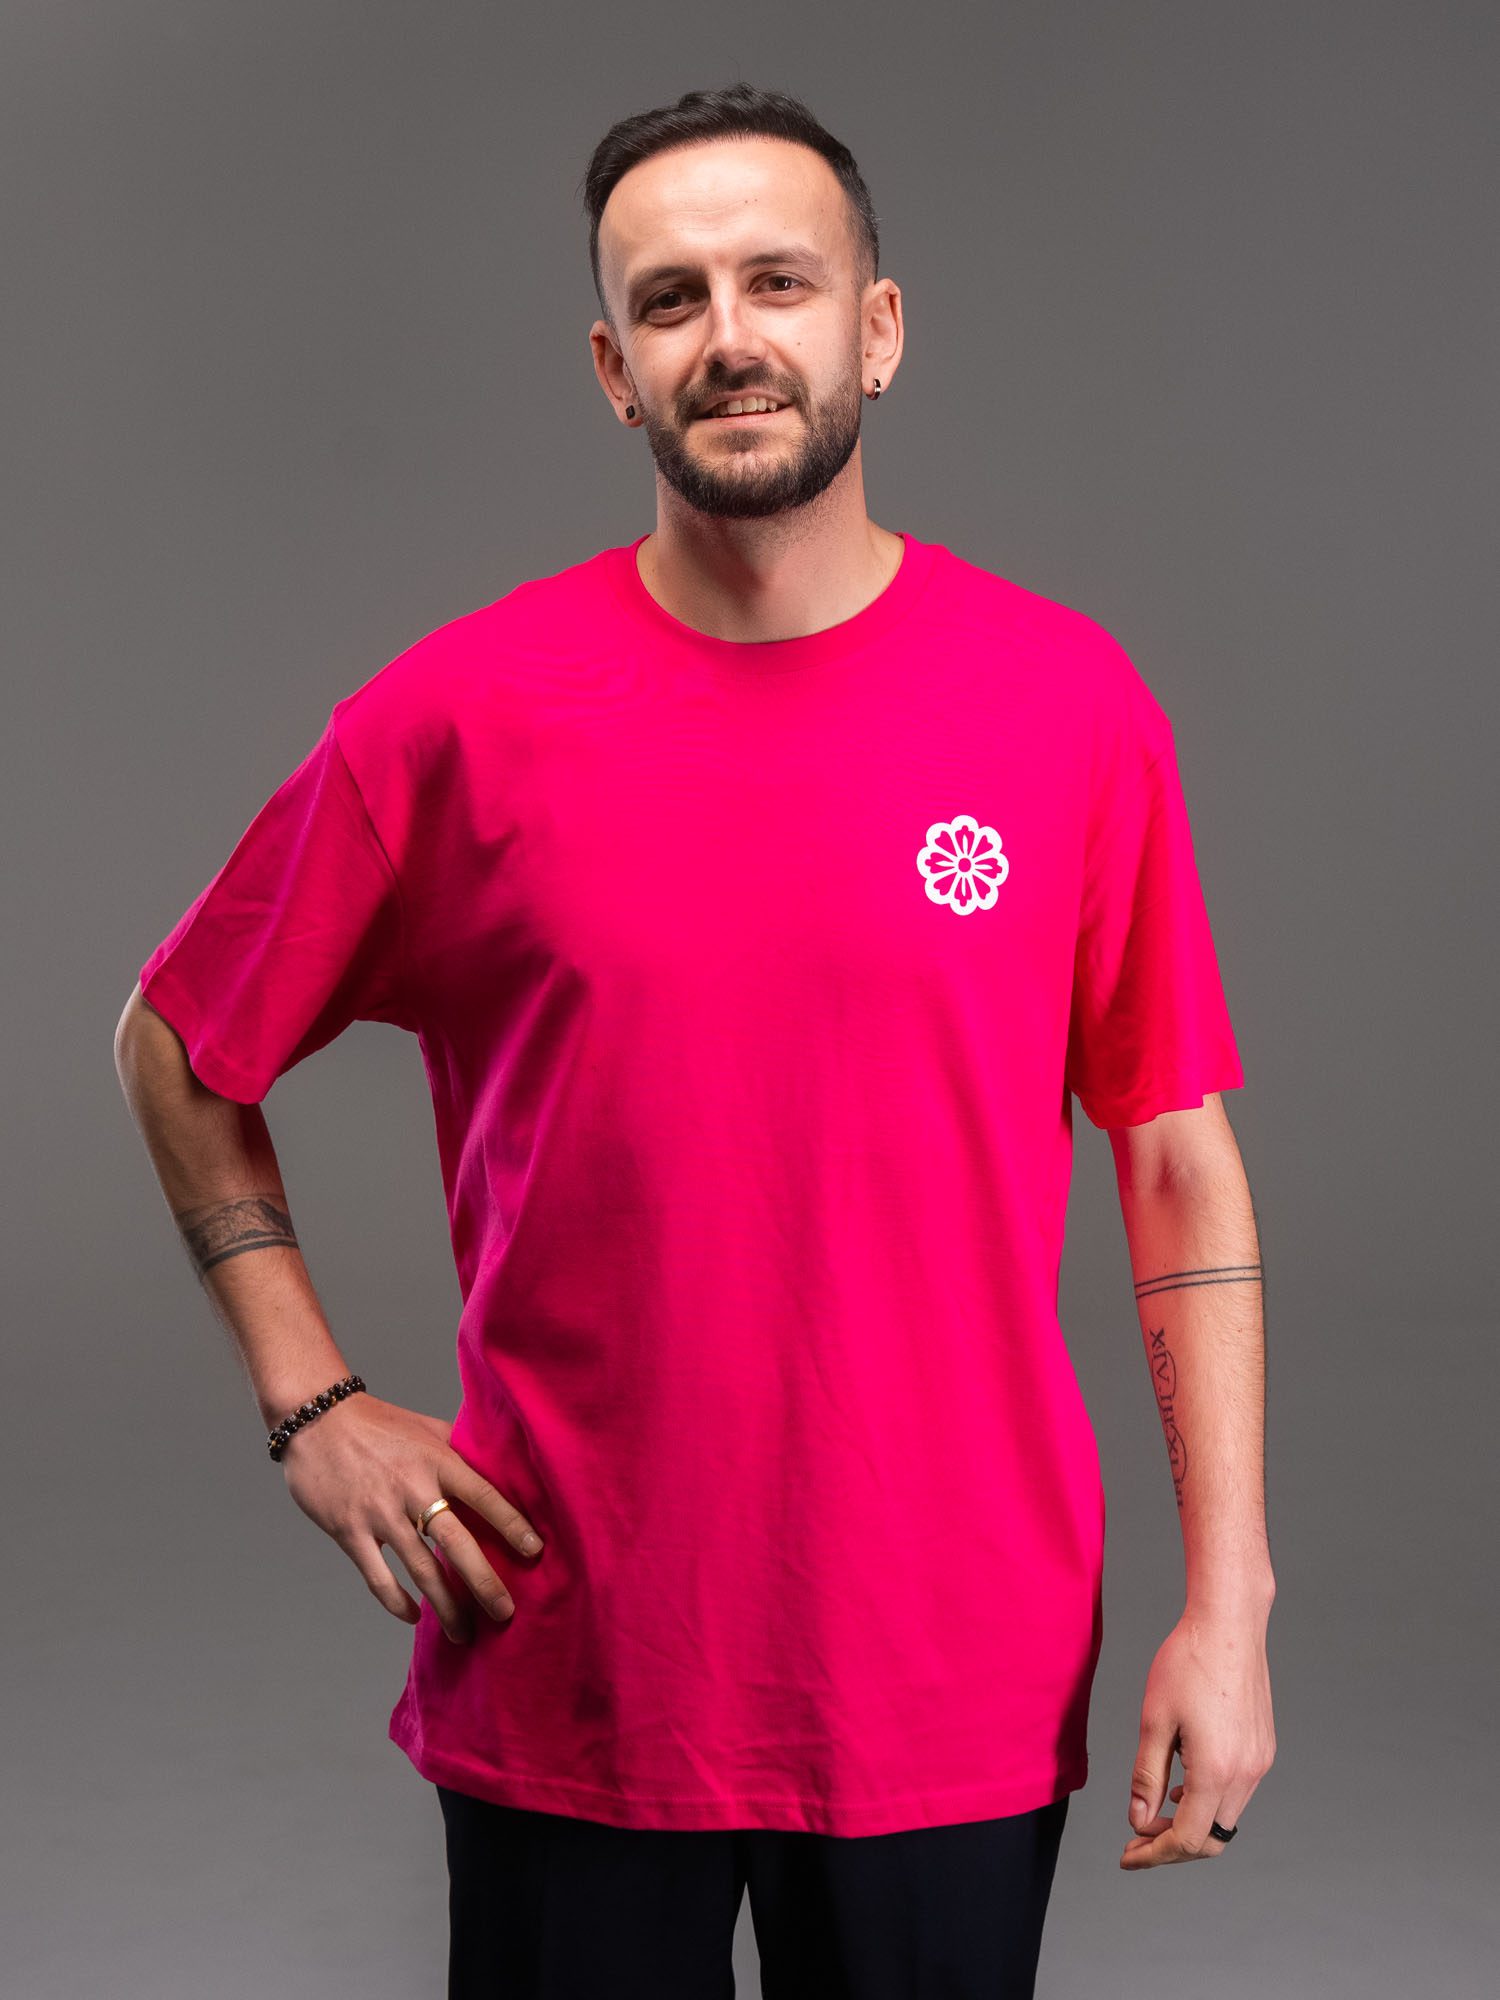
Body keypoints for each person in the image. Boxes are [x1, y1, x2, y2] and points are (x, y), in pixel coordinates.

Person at [115, 80, 1276, 2000]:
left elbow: (1175, 1158)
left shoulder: (1068, 706)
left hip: (951, 1671)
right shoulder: (458, 719)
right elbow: (178, 1042)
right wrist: (310, 1403)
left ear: (876, 332)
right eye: (670, 300)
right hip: (574, 1661)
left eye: (778, 282)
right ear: (614, 370)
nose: (728, 336)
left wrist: (1229, 1605)